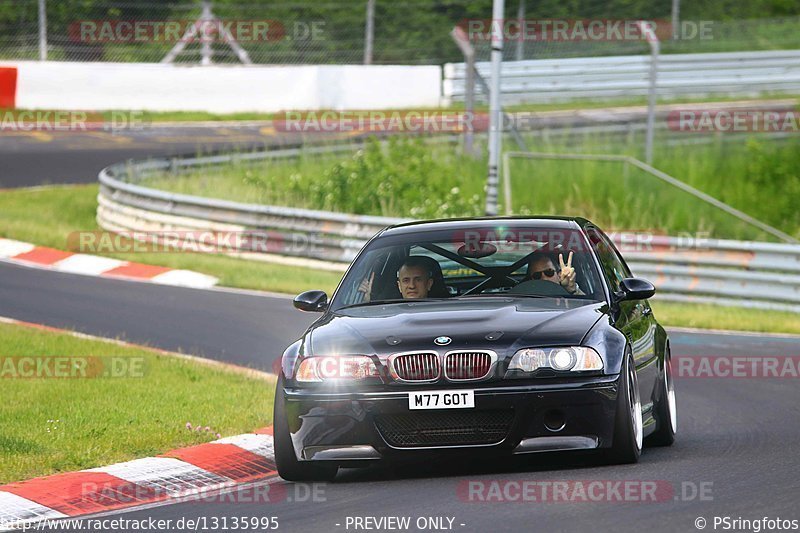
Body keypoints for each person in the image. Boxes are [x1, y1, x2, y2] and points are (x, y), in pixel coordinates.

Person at [357, 256, 434, 301]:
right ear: (399, 286)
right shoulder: (386, 315)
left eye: (418, 280)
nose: (412, 286)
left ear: (429, 284)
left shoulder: (441, 314)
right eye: (406, 280)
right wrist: (366, 300)